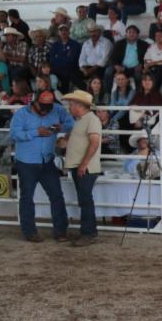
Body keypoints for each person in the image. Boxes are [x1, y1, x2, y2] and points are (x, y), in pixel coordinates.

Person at [9, 90, 73, 243]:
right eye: (42, 106)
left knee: (56, 195)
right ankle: (29, 232)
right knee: (27, 197)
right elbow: (13, 134)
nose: (45, 110)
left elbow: (71, 123)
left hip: (47, 160)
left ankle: (60, 231)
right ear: (34, 101)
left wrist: (60, 127)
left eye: (48, 106)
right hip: (26, 162)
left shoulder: (57, 109)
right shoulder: (21, 114)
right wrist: (35, 132)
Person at [61, 89, 103, 247]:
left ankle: (88, 233)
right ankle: (89, 231)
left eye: (72, 104)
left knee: (85, 200)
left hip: (85, 167)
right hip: (82, 166)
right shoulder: (83, 120)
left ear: (79, 105)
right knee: (85, 200)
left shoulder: (90, 120)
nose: (70, 107)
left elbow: (94, 143)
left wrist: (84, 164)